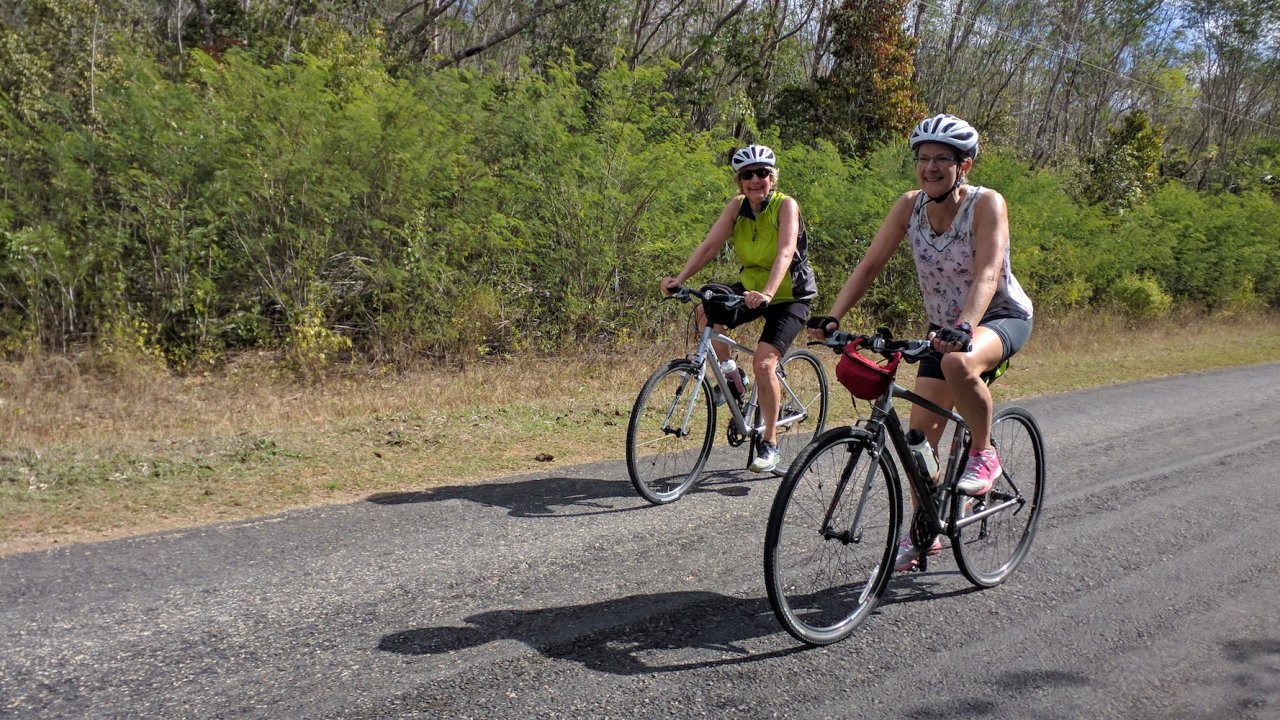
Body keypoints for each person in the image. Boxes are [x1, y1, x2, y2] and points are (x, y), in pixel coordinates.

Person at [807, 114, 1034, 571]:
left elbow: (989, 272)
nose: (930, 167)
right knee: (916, 445)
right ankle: (924, 532)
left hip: (999, 317)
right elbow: (870, 264)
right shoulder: (909, 205)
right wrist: (834, 315)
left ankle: (984, 455)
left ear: (963, 166)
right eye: (923, 158)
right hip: (943, 330)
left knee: (959, 365)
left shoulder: (987, 204)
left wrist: (966, 326)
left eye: (942, 160)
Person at [660, 143, 818, 473]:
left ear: (772, 179)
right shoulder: (737, 207)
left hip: (789, 295)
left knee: (765, 363)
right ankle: (732, 375)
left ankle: (770, 443)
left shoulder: (785, 206)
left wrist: (768, 293)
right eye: (748, 175)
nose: (756, 179)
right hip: (751, 289)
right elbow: (710, 245)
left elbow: (786, 252)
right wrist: (680, 278)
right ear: (740, 182)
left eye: (762, 173)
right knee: (705, 306)